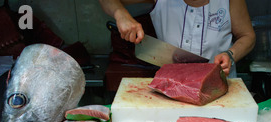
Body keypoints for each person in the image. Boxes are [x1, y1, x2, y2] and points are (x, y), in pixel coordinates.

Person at [100, 0, 256, 77]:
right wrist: (121, 14)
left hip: (222, 89)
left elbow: (247, 36)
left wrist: (230, 55)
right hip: (172, 88)